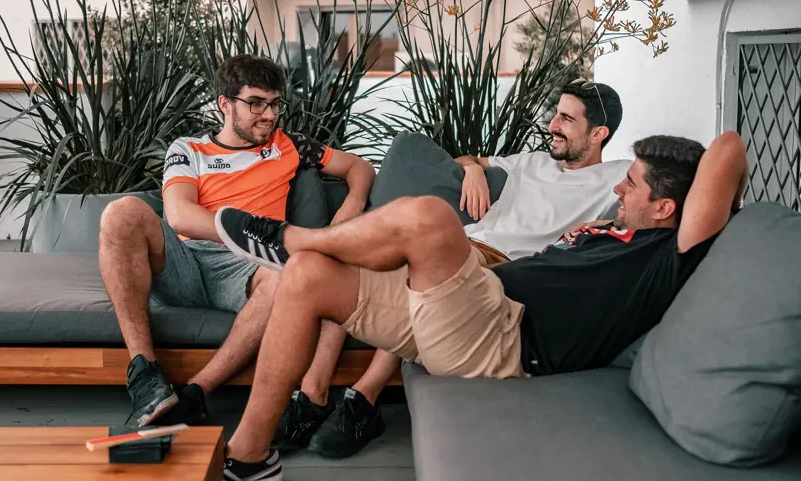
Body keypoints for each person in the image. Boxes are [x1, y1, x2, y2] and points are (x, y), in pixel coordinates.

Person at [211, 130, 749, 480]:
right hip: (471, 310)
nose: (619, 193)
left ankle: (293, 238)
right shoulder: (620, 232)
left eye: (631, 186)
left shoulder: (667, 255)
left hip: (501, 341)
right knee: (306, 278)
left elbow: (729, 147)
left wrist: (692, 169)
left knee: (430, 218)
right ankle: (249, 455)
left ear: (666, 207)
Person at [270, 80, 633, 459]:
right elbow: (469, 159)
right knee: (351, 264)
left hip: (505, 266)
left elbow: (660, 197)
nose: (553, 124)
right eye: (556, 114)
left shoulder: (615, 179)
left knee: (415, 275)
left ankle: (364, 398)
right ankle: (313, 395)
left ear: (598, 134)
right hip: (464, 242)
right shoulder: (534, 161)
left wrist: (602, 229)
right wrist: (474, 169)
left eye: (566, 119)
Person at [97, 54, 377, 427]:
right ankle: (145, 374)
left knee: (285, 278)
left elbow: (359, 166)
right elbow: (180, 216)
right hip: (186, 260)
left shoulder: (288, 144)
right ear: (225, 104)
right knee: (121, 212)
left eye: (275, 103)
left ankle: (197, 392)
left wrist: (352, 206)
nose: (269, 114)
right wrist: (258, 231)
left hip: (251, 267)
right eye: (256, 103)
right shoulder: (189, 149)